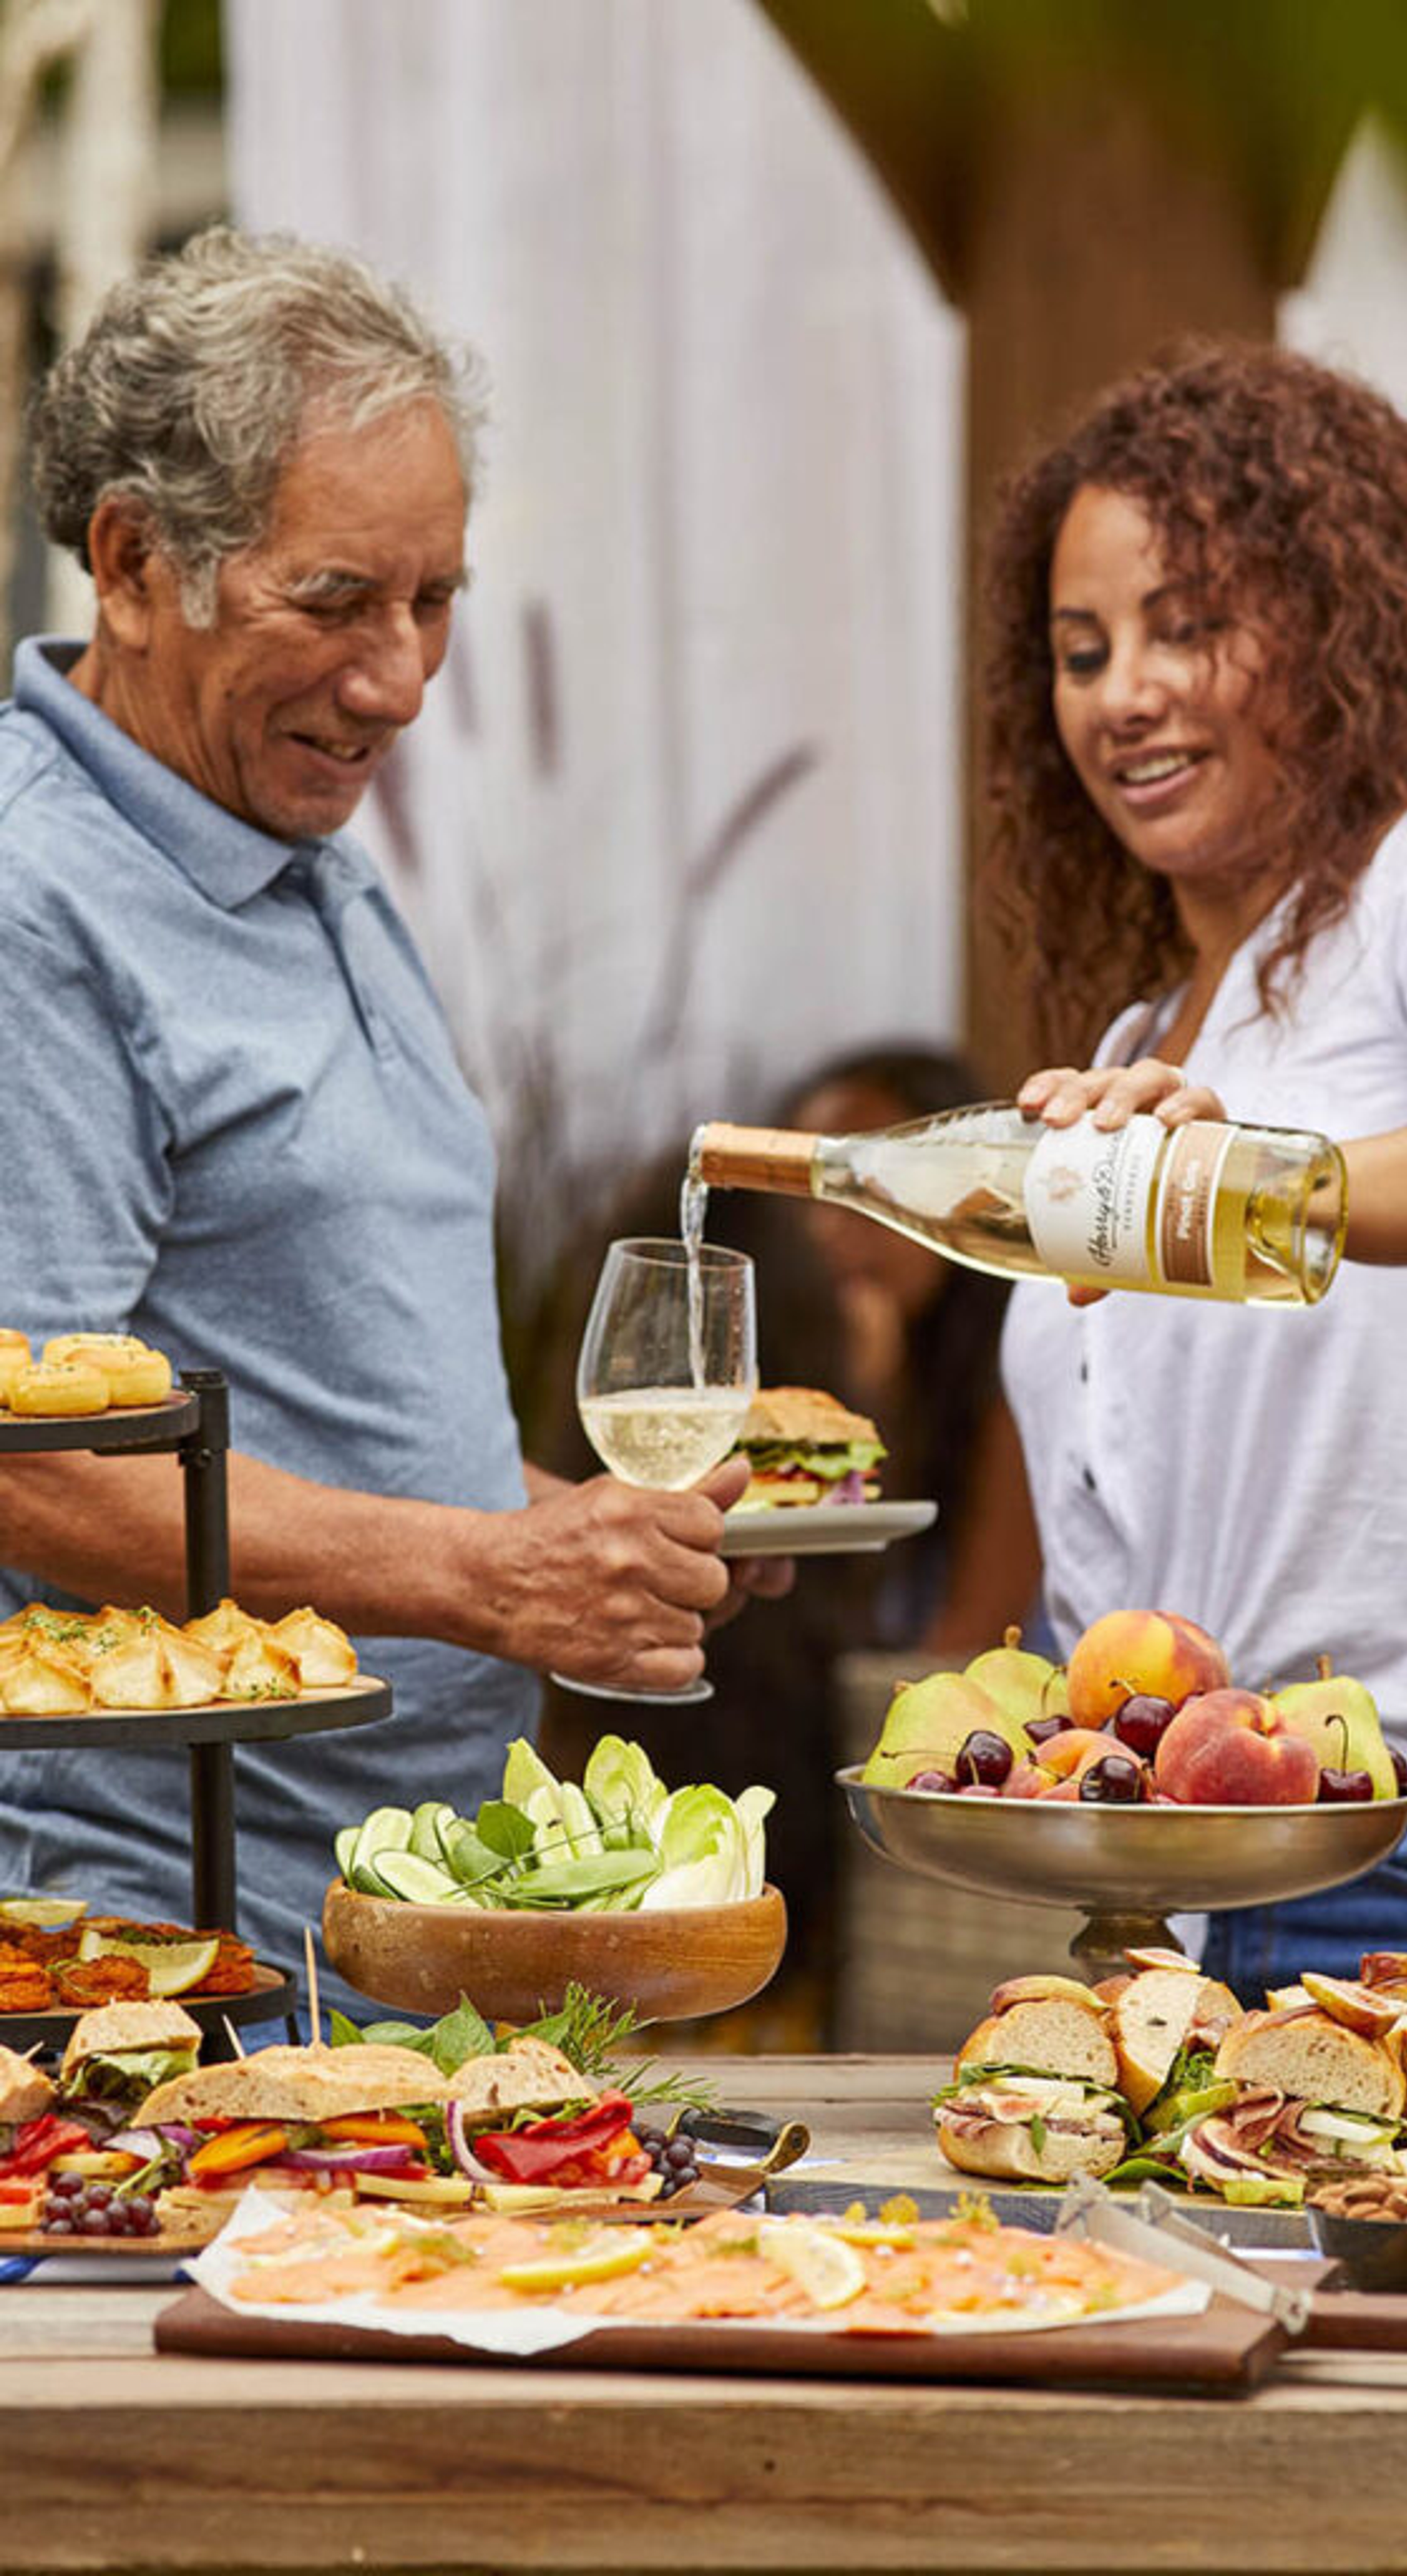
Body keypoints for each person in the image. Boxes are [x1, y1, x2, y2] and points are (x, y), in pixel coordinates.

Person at [0, 228, 786, 1976]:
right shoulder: (32, 903)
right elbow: (35, 1463)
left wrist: (598, 1541)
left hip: (397, 1900)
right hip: (159, 1933)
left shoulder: (296, 833)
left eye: (434, 600)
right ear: (133, 564)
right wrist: (490, 1579)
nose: (402, 682)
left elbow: (342, 1401)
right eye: (338, 600)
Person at [982, 338, 1407, 1997]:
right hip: (1168, 1874)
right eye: (1082, 650)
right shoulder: (1129, 1049)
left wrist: (1271, 1184)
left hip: (1402, 1840)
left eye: (1194, 628)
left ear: (1337, 629)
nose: (1127, 694)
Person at [781, 1044, 1041, 1654]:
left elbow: (967, 1639)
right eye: (810, 1196)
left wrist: (877, 1405)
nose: (827, 1229)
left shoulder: (1015, 1375)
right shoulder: (796, 1368)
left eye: (868, 1191)